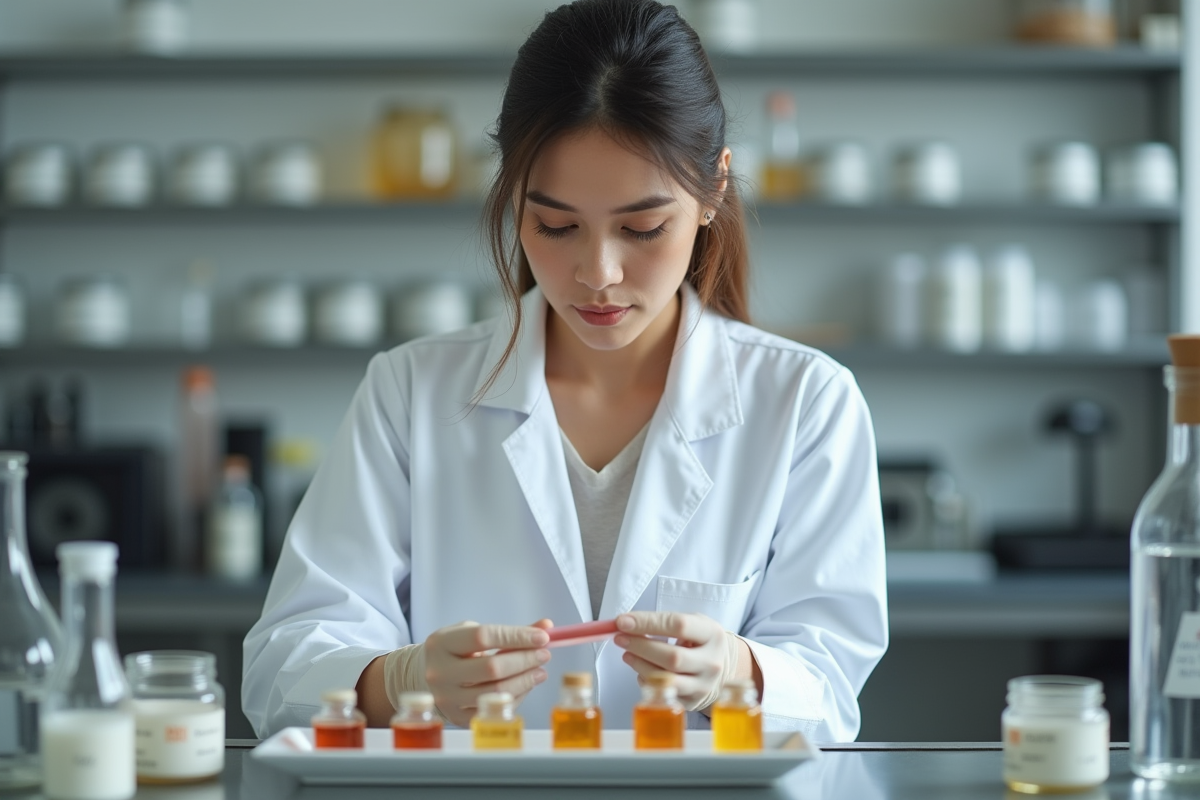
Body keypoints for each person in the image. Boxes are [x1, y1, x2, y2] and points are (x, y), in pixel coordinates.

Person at [242, 0, 887, 742]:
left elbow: (834, 692)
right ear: (513, 196)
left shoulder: (806, 402)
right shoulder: (410, 394)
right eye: (555, 225)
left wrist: (739, 672)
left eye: (642, 228)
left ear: (714, 190)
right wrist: (399, 681)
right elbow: (280, 668)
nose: (598, 273)